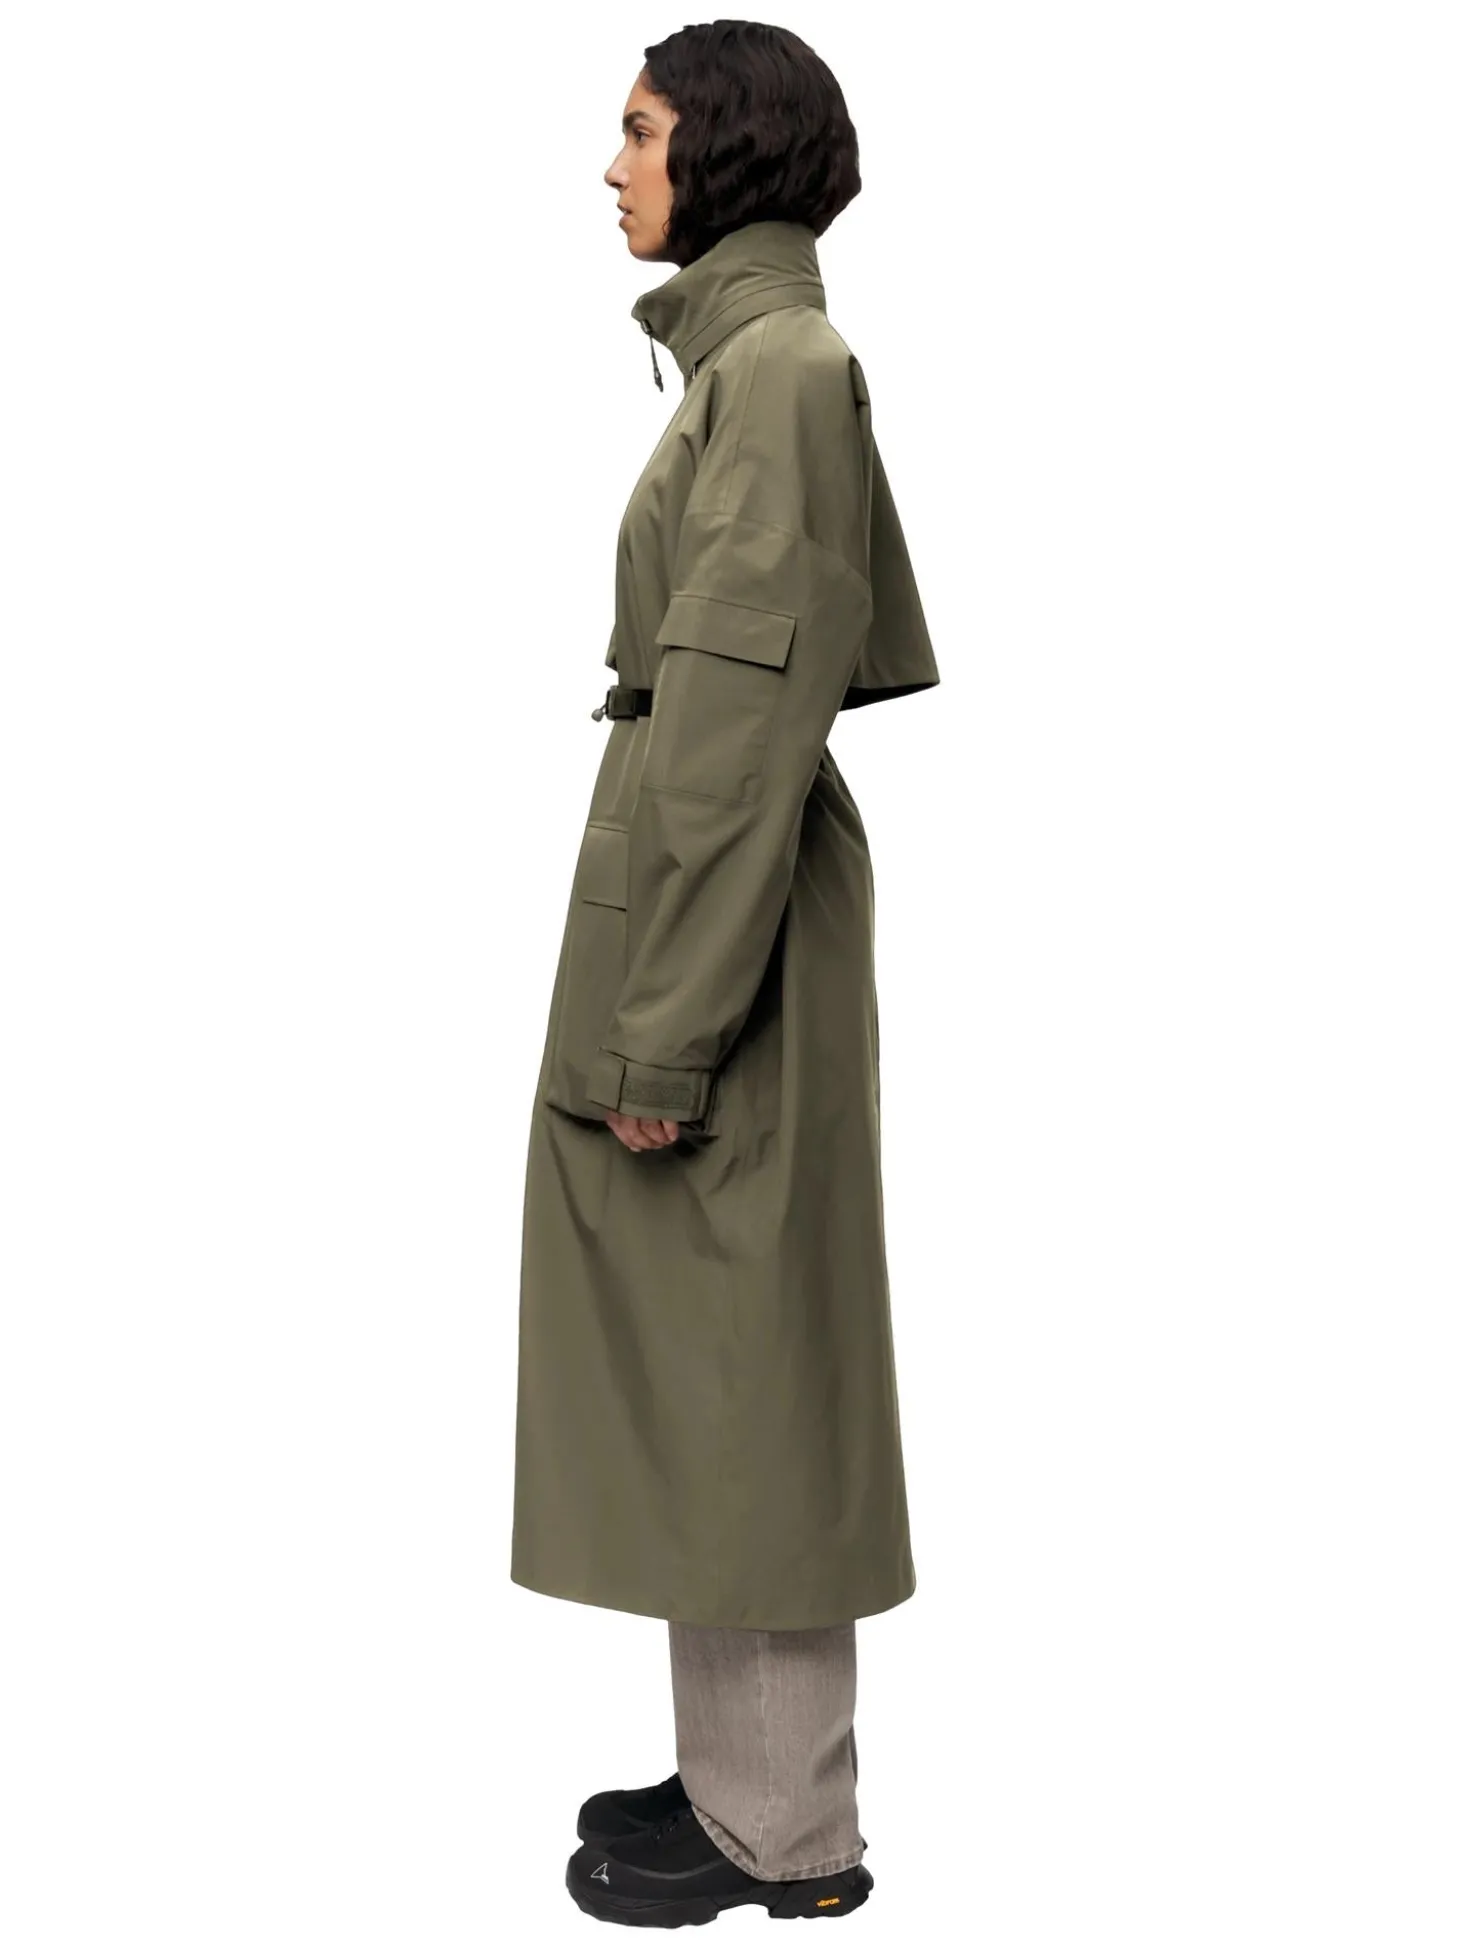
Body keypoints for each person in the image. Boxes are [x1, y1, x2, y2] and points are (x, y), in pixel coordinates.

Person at [510, 21, 940, 1928]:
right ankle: (737, 1774)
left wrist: (663, 1036)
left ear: (728, 152)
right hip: (710, 893)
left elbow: (739, 734)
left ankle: (787, 1831)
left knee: (751, 1356)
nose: (611, 169)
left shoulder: (778, 373)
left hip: (720, 910)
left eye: (639, 132)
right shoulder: (752, 364)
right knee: (712, 1348)